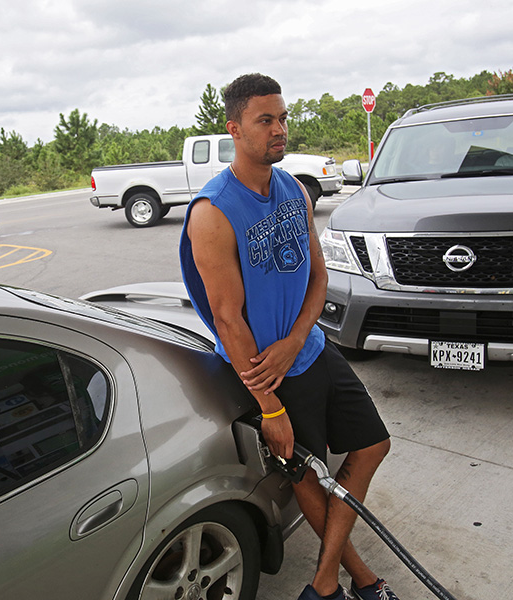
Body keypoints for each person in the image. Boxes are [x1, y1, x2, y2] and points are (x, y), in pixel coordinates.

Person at [179, 73, 398, 600]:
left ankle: (324, 586)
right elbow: (228, 320)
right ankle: (361, 583)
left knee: (373, 445)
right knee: (311, 481)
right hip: (266, 375)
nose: (279, 129)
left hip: (310, 351)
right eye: (265, 120)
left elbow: (318, 278)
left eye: (282, 118)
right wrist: (270, 408)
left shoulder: (294, 190)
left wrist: (298, 338)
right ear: (234, 128)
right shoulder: (213, 213)